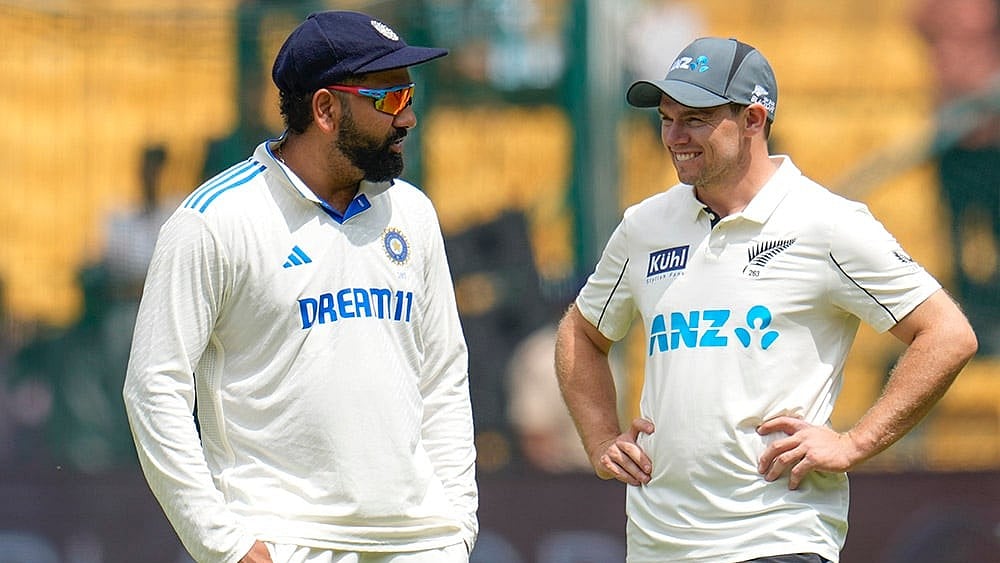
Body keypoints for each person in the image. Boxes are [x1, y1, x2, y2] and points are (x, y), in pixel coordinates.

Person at [554, 37, 978, 563]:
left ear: (753, 119)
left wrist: (854, 443)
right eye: (666, 118)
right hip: (657, 545)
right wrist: (600, 440)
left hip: (778, 540)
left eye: (695, 119)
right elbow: (581, 332)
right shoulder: (645, 225)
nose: (674, 137)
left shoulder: (825, 222)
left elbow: (948, 334)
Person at [123, 11, 477, 563]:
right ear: (326, 109)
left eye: (408, 92)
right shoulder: (213, 221)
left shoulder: (413, 213)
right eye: (387, 99)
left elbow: (444, 376)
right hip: (286, 542)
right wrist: (227, 545)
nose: (408, 117)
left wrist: (456, 525)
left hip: (420, 544)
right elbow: (152, 391)